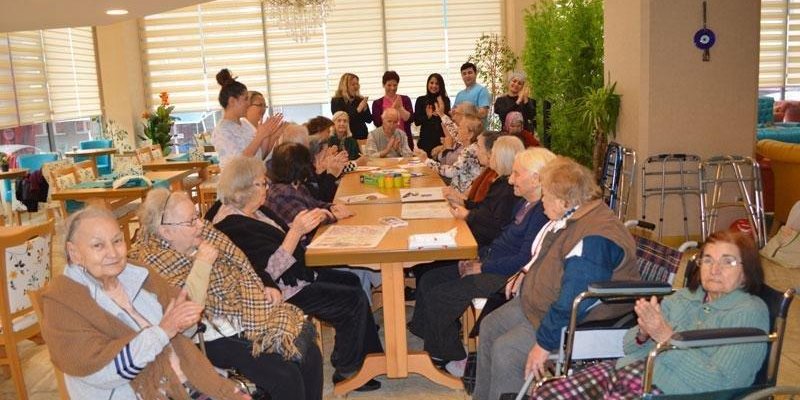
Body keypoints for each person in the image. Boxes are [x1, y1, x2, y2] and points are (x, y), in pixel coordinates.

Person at [206, 156, 384, 391]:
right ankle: (348, 370)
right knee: (349, 300)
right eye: (262, 184)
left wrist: (305, 224)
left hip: (294, 276)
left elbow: (275, 237)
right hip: (276, 292)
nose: (267, 189)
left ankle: (371, 358)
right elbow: (267, 273)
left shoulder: (254, 211)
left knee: (350, 280)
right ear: (244, 188)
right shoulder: (232, 226)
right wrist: (295, 233)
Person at [473, 156, 641, 400]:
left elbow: (574, 300)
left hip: (572, 321)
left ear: (564, 201)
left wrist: (544, 344)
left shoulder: (595, 238)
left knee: (506, 351)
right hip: (538, 305)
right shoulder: (572, 217)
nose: (541, 202)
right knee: (489, 326)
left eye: (546, 196)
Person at [130, 188, 323, 400]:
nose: (200, 224)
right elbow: (184, 312)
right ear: (165, 232)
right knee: (285, 375)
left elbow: (244, 264)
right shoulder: (151, 263)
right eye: (190, 221)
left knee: (309, 354)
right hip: (204, 335)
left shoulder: (210, 236)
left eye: (197, 216)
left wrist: (265, 283)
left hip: (241, 314)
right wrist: (202, 263)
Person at [40, 206, 250, 400]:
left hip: (183, 382)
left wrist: (185, 321)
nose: (113, 253)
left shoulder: (138, 274)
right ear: (74, 253)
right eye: (98, 245)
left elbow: (181, 332)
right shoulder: (62, 301)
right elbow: (102, 371)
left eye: (117, 241)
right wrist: (162, 332)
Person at [532, 230, 770, 398]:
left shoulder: (749, 312)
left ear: (746, 272)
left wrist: (666, 337)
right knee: (546, 393)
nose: (714, 269)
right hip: (628, 370)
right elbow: (627, 345)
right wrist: (644, 333)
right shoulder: (686, 296)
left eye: (727, 262)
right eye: (707, 260)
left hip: (671, 391)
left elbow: (721, 383)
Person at [409, 141, 548, 377]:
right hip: (491, 261)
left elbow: (523, 259)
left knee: (440, 295)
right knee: (431, 279)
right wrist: (477, 257)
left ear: (536, 179)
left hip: (506, 276)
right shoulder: (525, 203)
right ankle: (429, 336)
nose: (511, 179)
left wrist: (481, 265)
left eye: (516, 174)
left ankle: (454, 358)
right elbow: (502, 240)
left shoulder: (540, 213)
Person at [445, 133, 524, 248]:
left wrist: (468, 215)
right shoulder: (499, 181)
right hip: (476, 236)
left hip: (481, 244)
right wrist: (463, 203)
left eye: (493, 153)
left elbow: (495, 227)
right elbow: (484, 207)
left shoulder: (509, 189)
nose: (489, 155)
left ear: (501, 158)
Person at [265, 142, 354, 231]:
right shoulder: (283, 194)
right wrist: (333, 215)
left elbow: (314, 203)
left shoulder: (297, 186)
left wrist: (332, 207)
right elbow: (308, 221)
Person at [211, 69, 283, 169]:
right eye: (245, 99)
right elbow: (238, 164)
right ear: (232, 101)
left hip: (254, 179)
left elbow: (259, 156)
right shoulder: (222, 130)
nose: (248, 104)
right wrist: (259, 137)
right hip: (237, 183)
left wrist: (270, 135)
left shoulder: (245, 123)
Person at [416, 113, 485, 193]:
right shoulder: (469, 144)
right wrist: (442, 116)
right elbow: (453, 131)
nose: (457, 129)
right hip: (457, 189)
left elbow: (452, 171)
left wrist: (427, 161)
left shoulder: (470, 151)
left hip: (462, 194)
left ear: (470, 135)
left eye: (461, 127)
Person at [372, 70, 414, 150]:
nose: (392, 88)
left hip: (404, 141)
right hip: (384, 142)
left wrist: (400, 108)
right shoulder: (377, 103)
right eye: (389, 85)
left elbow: (410, 119)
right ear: (383, 85)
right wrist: (393, 108)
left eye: (395, 85)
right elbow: (377, 122)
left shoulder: (405, 99)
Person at [414, 73, 452, 157]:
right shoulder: (421, 100)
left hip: (441, 142)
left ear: (441, 86)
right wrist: (428, 116)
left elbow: (449, 122)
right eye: (431, 83)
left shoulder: (445, 100)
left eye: (437, 83)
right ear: (428, 84)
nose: (434, 86)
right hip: (425, 141)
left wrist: (441, 112)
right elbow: (417, 121)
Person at [331, 73, 372, 140]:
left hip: (362, 136)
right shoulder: (336, 101)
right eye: (353, 84)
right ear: (345, 86)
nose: (356, 87)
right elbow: (341, 120)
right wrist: (358, 110)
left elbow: (369, 120)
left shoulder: (360, 100)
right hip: (345, 138)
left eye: (357, 84)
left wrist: (365, 109)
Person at [453, 62, 491, 127]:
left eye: (470, 72)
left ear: (475, 74)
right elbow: (454, 113)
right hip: (462, 133)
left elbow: (483, 113)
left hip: (478, 134)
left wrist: (466, 109)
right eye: (464, 74)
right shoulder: (459, 94)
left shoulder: (482, 90)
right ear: (462, 76)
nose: (467, 76)